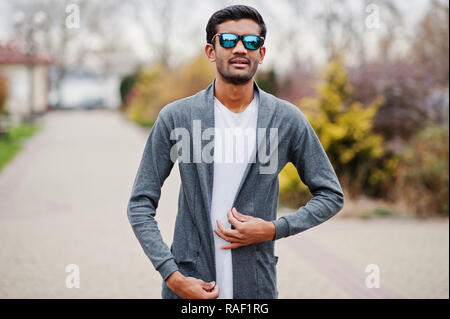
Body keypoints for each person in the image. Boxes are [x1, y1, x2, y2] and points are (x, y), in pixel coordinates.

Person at [127, 5, 344, 299]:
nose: (240, 48)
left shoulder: (286, 120)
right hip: (190, 286)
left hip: (256, 287)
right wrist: (172, 275)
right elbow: (140, 204)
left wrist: (274, 229)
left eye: (251, 42)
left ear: (262, 54)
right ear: (211, 50)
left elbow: (331, 195)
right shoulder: (177, 117)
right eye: (228, 40)